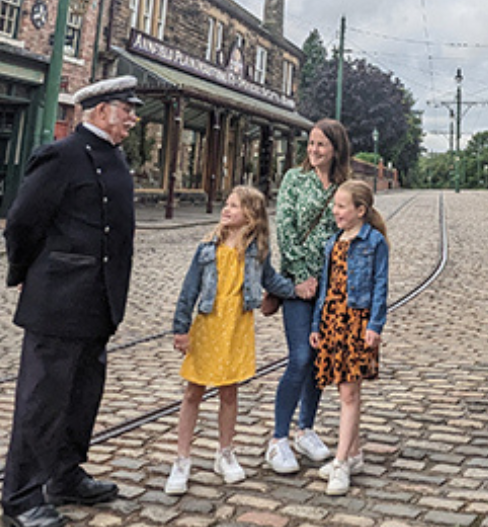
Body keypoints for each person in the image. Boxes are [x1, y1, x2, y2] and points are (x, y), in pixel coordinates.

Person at [0, 76, 142, 527]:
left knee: (82, 397)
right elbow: (22, 222)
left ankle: (64, 474)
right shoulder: (60, 156)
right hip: (58, 299)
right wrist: (25, 274)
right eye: (126, 109)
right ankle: (22, 498)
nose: (133, 118)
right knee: (42, 401)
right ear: (100, 111)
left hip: (99, 300)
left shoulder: (116, 158)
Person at [164, 186, 300, 495]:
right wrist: (181, 329)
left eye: (234, 206)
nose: (226, 210)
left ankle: (225, 453)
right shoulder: (206, 248)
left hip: (237, 328)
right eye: (226, 204)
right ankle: (181, 459)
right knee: (192, 393)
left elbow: (272, 281)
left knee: (229, 394)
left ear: (250, 217)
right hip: (208, 326)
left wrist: (298, 290)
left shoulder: (257, 252)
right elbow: (189, 291)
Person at [266, 119, 351, 473]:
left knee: (318, 360)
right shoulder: (294, 180)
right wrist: (301, 277)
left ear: (336, 149)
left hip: (333, 287)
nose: (314, 150)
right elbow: (285, 231)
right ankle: (278, 438)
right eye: (311, 144)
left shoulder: (345, 187)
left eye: (321, 145)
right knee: (300, 357)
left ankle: (306, 429)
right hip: (300, 286)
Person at [309, 180, 391, 496]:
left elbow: (381, 286)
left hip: (358, 321)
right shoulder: (333, 242)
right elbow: (327, 287)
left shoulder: (375, 242)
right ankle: (354, 453)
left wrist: (375, 325)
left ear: (361, 210)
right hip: (333, 320)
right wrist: (317, 325)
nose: (336, 212)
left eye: (342, 207)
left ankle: (341, 462)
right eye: (335, 206)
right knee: (343, 391)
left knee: (349, 395)